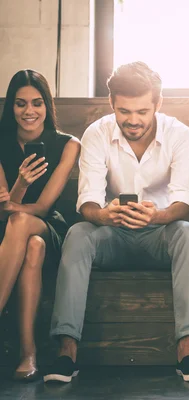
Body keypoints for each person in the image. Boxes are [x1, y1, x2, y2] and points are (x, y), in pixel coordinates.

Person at [44, 62, 189, 383]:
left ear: (158, 105)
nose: (133, 120)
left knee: (187, 234)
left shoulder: (180, 135)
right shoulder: (97, 133)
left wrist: (157, 216)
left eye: (142, 111)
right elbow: (87, 201)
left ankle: (187, 350)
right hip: (113, 233)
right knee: (78, 233)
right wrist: (103, 215)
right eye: (124, 111)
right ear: (111, 104)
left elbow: (185, 202)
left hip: (161, 234)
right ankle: (66, 350)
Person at [0, 70, 80, 382]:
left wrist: (14, 202)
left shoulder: (68, 144)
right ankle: (28, 353)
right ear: (12, 107)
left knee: (26, 225)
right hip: (9, 229)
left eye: (37, 103)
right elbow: (5, 209)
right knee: (32, 245)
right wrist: (20, 182)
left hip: (51, 226)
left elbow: (44, 207)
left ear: (47, 105)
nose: (29, 111)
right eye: (20, 104)